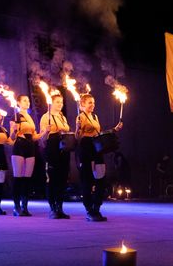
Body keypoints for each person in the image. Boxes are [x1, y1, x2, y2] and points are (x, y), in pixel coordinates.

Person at [75, 93, 122, 221]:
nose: (92, 105)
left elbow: (99, 134)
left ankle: (97, 207)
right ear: (82, 104)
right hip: (86, 147)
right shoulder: (80, 117)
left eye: (93, 102)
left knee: (101, 179)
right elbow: (78, 138)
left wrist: (114, 130)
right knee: (88, 180)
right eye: (89, 102)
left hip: (97, 148)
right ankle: (89, 210)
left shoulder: (95, 117)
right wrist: (77, 129)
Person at [9, 95, 46, 216]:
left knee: (27, 178)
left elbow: (34, 136)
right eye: (24, 100)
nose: (27, 102)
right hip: (19, 146)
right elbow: (12, 137)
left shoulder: (29, 117)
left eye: (28, 100)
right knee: (18, 178)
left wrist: (44, 132)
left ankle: (25, 206)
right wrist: (14, 130)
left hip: (30, 147)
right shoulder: (16, 116)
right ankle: (16, 207)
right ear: (18, 103)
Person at [40, 94, 72, 219]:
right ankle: (53, 208)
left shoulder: (62, 117)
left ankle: (60, 207)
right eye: (58, 102)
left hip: (63, 149)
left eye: (62, 102)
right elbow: (42, 140)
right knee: (52, 180)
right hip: (52, 149)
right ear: (51, 103)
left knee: (62, 180)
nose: (60, 104)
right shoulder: (46, 117)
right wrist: (47, 131)